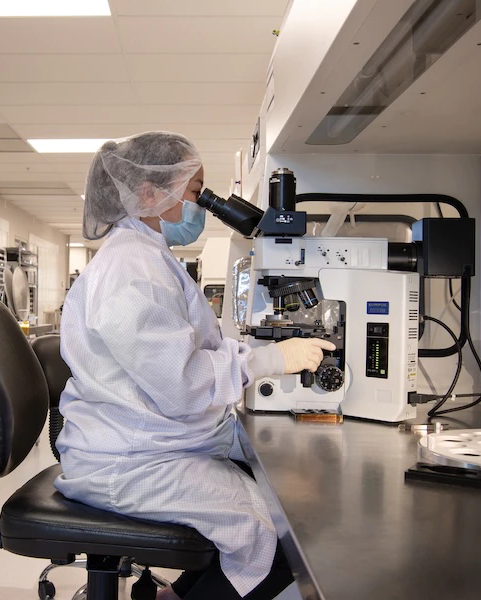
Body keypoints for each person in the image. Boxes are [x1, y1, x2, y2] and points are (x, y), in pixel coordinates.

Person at [54, 132, 334, 599]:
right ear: (148, 192)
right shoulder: (131, 269)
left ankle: (179, 595)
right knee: (279, 535)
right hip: (128, 459)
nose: (203, 203)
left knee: (270, 501)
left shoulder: (147, 255)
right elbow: (181, 382)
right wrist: (269, 359)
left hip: (142, 440)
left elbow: (185, 354)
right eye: (195, 188)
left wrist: (257, 361)